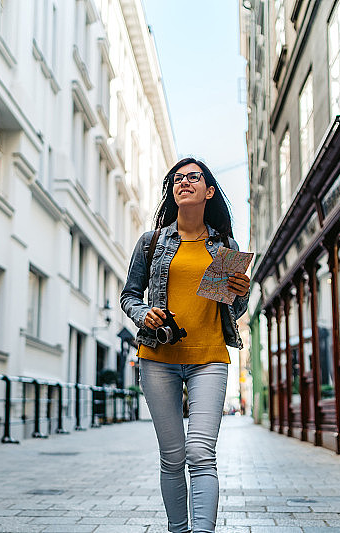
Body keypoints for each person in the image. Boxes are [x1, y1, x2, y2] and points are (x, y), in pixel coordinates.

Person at [120, 158, 250, 533]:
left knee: (200, 453)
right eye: (178, 178)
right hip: (157, 358)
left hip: (209, 357)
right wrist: (143, 313)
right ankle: (178, 530)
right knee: (173, 458)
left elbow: (234, 308)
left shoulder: (224, 245)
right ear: (172, 191)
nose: (185, 182)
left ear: (209, 191)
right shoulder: (153, 241)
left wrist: (240, 293)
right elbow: (130, 295)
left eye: (194, 177)